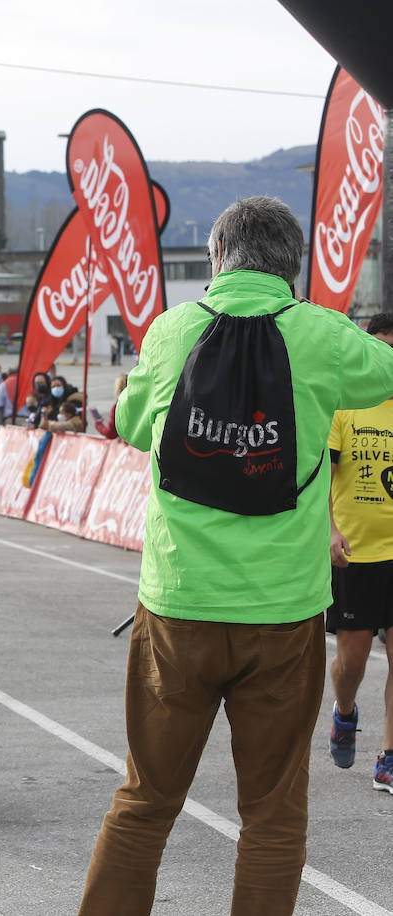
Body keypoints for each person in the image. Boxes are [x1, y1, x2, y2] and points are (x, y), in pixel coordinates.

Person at [76, 197, 393, 915]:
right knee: (273, 817)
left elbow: (129, 425)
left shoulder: (172, 329)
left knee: (145, 801)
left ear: (218, 257)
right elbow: (387, 372)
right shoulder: (322, 335)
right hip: (283, 618)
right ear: (293, 266)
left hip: (178, 610)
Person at [326, 311, 393, 792]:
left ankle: (388, 756)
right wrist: (328, 529)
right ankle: (345, 712)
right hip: (355, 554)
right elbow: (322, 478)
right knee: (353, 661)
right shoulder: (344, 407)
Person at [91, 375, 129, 440]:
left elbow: (111, 433)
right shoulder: (143, 402)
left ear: (118, 388)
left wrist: (99, 424)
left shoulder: (119, 406)